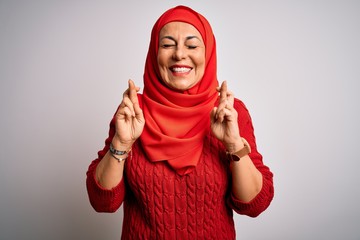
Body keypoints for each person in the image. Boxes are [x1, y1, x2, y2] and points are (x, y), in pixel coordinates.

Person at [86, 5, 274, 240]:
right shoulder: (133, 112)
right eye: (167, 45)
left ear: (208, 53)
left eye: (192, 45)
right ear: (154, 53)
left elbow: (255, 204)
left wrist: (234, 144)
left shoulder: (229, 112)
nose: (179, 54)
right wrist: (121, 143)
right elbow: (103, 201)